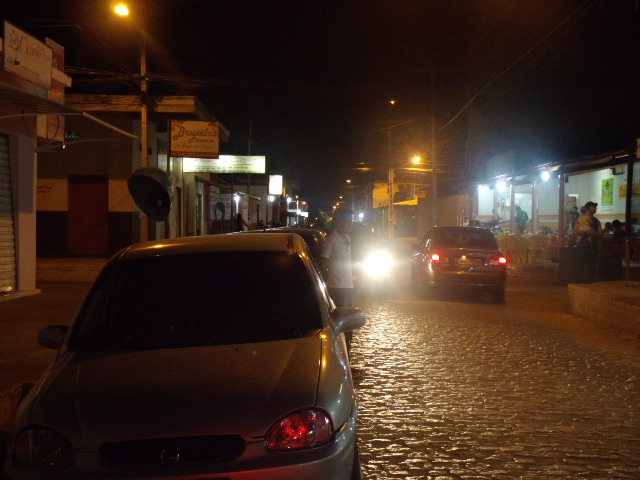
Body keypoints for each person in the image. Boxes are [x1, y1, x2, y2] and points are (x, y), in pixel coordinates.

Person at [574, 201, 603, 283]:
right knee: (580, 264)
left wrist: (595, 234)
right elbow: (576, 231)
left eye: (595, 207)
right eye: (593, 207)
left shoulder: (596, 221)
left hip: (592, 246)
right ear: (588, 208)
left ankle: (589, 282)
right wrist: (586, 232)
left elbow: (600, 233)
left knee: (591, 265)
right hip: (582, 245)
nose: (595, 209)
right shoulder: (580, 219)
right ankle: (578, 282)